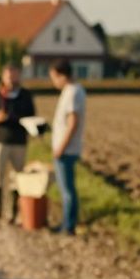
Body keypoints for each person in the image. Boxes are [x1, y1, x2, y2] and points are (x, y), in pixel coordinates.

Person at [0, 64, 37, 225]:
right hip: (0, 141)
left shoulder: (26, 96)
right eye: (8, 75)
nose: (11, 79)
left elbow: (33, 118)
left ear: (19, 76)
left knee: (17, 179)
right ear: (3, 77)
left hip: (19, 142)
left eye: (14, 75)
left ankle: (13, 214)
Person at [48, 58, 87, 236]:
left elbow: (72, 123)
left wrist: (60, 148)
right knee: (67, 189)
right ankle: (66, 222)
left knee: (67, 190)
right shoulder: (71, 91)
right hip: (66, 148)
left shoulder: (73, 92)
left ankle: (68, 226)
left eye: (54, 77)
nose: (53, 82)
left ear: (61, 75)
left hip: (66, 150)